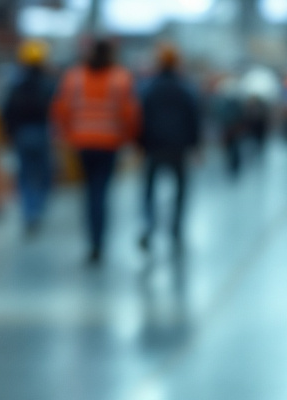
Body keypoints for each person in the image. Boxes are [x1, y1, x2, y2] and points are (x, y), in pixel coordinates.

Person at [52, 38, 139, 265]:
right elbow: (130, 113)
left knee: (89, 192)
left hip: (82, 143)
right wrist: (128, 139)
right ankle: (98, 242)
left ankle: (92, 241)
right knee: (101, 192)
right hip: (109, 144)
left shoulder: (74, 77)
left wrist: (66, 136)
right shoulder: (120, 78)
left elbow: (61, 109)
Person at [137, 44, 201, 253]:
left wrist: (140, 143)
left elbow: (140, 117)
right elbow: (194, 118)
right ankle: (176, 229)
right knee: (180, 190)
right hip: (178, 147)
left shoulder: (148, 88)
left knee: (149, 190)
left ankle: (149, 225)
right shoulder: (186, 88)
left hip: (153, 146)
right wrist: (196, 145)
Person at [1, 39, 57, 236]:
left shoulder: (18, 84)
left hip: (23, 134)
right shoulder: (49, 85)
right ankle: (37, 210)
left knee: (25, 176)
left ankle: (29, 213)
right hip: (42, 133)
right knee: (43, 175)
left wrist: (8, 132)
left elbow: (7, 110)